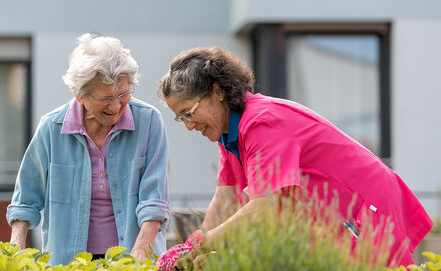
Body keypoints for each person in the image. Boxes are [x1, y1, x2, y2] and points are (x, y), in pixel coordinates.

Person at [155, 46, 433, 270]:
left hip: (363, 210)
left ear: (217, 92)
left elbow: (264, 207)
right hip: (333, 220)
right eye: (181, 118)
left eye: (189, 112)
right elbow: (225, 199)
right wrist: (192, 252)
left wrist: (199, 245)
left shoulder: (262, 123)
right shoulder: (230, 132)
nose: (189, 125)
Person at [7, 34, 170, 265]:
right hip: (68, 262)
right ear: (79, 94)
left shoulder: (149, 122)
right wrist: (16, 252)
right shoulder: (51, 128)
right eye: (105, 98)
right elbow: (26, 199)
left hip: (132, 256)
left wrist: (139, 256)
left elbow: (154, 200)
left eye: (122, 95)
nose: (115, 107)